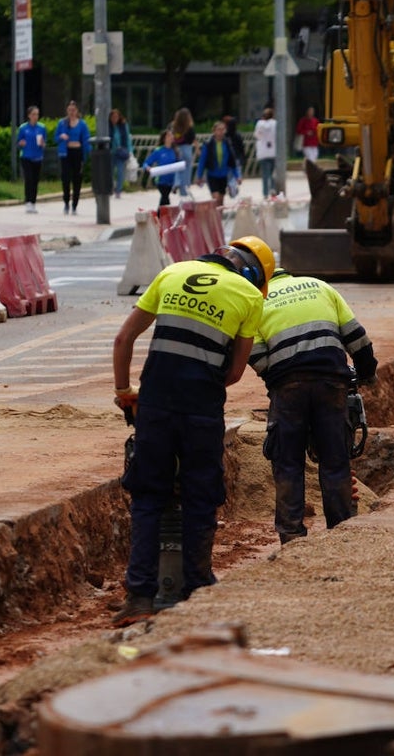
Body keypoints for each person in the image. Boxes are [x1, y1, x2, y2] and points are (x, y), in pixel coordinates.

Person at [110, 235, 277, 627]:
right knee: (201, 496)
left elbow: (123, 339)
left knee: (149, 495)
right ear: (252, 274)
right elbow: (234, 373)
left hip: (153, 403)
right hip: (202, 407)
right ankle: (198, 586)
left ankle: (138, 597)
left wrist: (125, 392)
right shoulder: (249, 297)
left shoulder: (172, 272)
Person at [248, 268, 378, 544]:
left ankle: (292, 536)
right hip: (331, 382)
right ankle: (342, 532)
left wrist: (278, 379)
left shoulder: (255, 300)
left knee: (287, 463)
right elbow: (356, 336)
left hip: (288, 388)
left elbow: (256, 354)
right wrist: (366, 372)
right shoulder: (320, 286)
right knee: (335, 460)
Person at [195, 120, 243, 208]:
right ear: (214, 131)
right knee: (215, 198)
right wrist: (199, 176)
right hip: (212, 175)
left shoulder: (227, 143)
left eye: (222, 130)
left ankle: (219, 219)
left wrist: (238, 176)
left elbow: (232, 162)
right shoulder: (208, 144)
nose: (220, 132)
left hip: (223, 176)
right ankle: (215, 219)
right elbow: (202, 161)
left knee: (221, 200)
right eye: (218, 130)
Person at [56, 100, 91, 215]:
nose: (71, 112)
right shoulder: (62, 123)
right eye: (69, 110)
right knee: (65, 178)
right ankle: (66, 202)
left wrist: (88, 154)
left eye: (73, 110)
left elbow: (86, 140)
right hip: (66, 153)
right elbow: (56, 138)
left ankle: (75, 205)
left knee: (77, 179)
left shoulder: (82, 124)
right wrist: (61, 136)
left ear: (77, 111)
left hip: (77, 152)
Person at [15, 106, 47, 214]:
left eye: (37, 114)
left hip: (38, 156)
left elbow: (44, 142)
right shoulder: (23, 128)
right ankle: (28, 201)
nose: (35, 116)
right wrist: (21, 143)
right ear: (29, 115)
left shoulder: (42, 127)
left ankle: (33, 202)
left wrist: (43, 143)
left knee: (35, 180)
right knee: (28, 179)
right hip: (26, 156)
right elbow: (18, 142)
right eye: (33, 114)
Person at [142, 129, 180, 207]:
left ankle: (161, 216)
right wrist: (147, 168)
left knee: (165, 201)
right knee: (165, 198)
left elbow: (179, 165)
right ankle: (162, 216)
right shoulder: (159, 150)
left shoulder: (175, 151)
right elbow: (146, 163)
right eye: (168, 136)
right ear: (164, 139)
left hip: (171, 180)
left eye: (171, 135)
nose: (171, 137)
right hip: (161, 180)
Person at [171, 107, 197, 197]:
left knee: (178, 168)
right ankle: (184, 190)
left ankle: (176, 182)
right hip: (187, 149)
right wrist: (197, 149)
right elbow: (193, 139)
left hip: (177, 149)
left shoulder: (174, 126)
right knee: (187, 170)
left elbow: (171, 138)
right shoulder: (189, 127)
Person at [109, 109, 134, 199]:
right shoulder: (108, 126)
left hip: (121, 152)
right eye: (113, 117)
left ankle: (118, 190)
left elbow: (127, 138)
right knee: (110, 172)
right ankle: (110, 188)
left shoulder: (123, 125)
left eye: (116, 117)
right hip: (111, 152)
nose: (114, 119)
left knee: (120, 172)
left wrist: (130, 150)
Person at [254, 107, 278, 198]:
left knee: (265, 174)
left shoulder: (259, 124)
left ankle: (265, 193)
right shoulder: (275, 123)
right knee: (273, 173)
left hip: (263, 152)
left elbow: (257, 135)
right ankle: (273, 189)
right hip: (273, 152)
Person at [223, 115, 246, 197]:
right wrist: (243, 158)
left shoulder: (225, 135)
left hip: (227, 159)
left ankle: (230, 186)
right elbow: (241, 148)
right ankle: (232, 188)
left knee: (229, 175)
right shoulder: (238, 135)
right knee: (236, 176)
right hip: (237, 158)